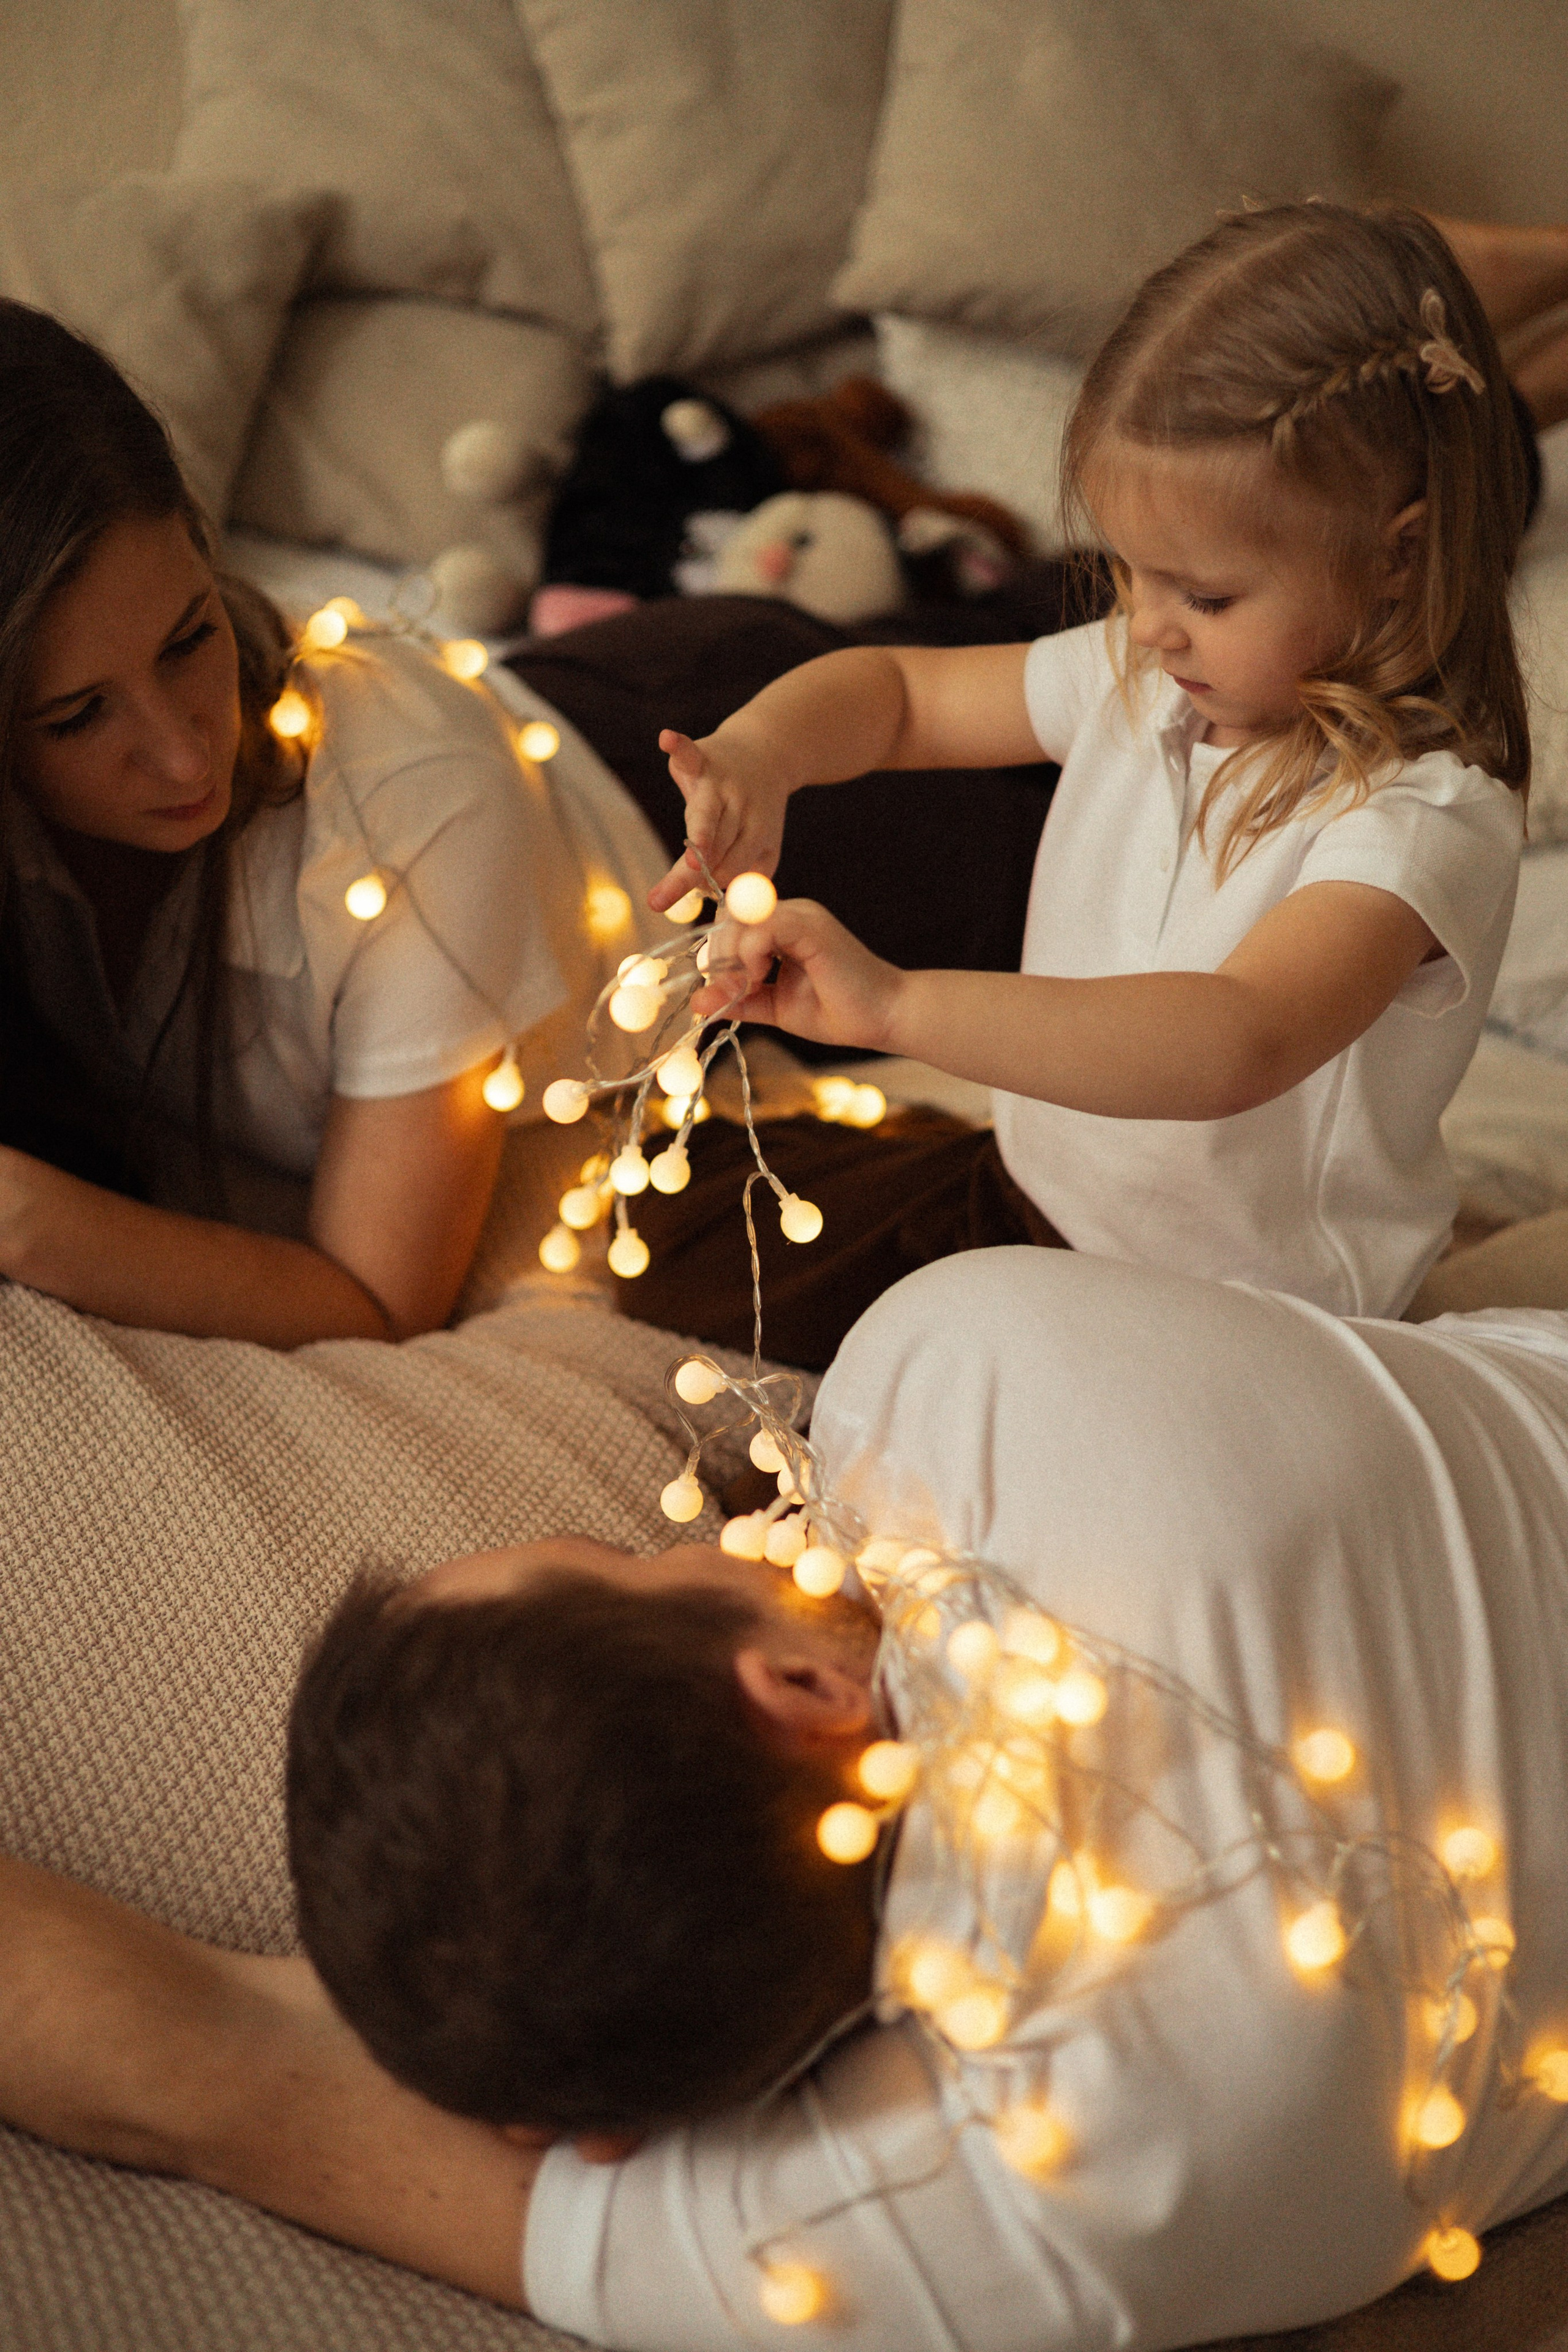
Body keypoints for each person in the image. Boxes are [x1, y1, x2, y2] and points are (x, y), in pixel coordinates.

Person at [7, 1246, 1568, 2348]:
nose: (701, 1536)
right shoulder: (971, 1363)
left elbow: (202, 2073)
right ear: (805, 1694)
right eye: (618, 1557)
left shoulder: (1001, 2218)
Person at [613, 202, 1534, 1366]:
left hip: (1237, 1319)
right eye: (1126, 572)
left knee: (918, 1451)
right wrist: (763, 754)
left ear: (1399, 555)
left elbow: (1234, 1041)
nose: (1149, 627)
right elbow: (901, 694)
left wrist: (897, 1007)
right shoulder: (1147, 674)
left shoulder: (1422, 819)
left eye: (1204, 596)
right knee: (676, 1236)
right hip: (1033, 1203)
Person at [0, 300, 662, 1346]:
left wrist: (26, 1219)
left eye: (190, 638)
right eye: (79, 714)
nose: (184, 752)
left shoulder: (417, 808)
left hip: (685, 763)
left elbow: (378, 1298)